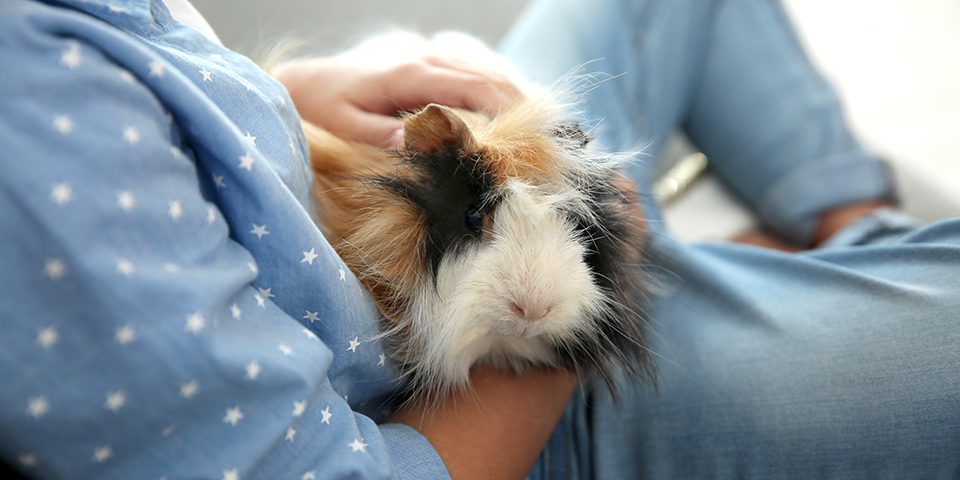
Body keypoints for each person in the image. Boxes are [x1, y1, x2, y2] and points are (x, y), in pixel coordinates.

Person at [0, 0, 956, 479]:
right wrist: (604, 280)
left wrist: (290, 98)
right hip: (470, 411)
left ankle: (853, 223)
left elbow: (163, 101)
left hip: (495, 294)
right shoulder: (27, 124)